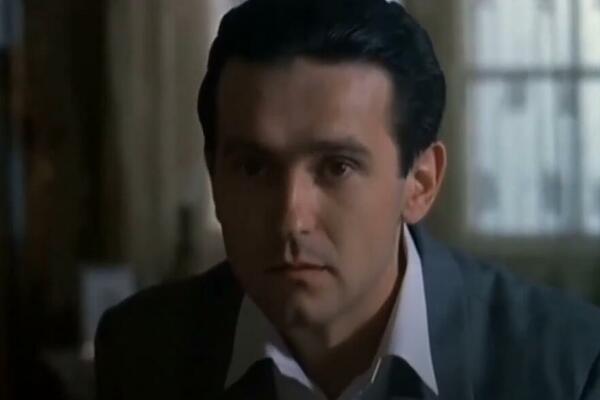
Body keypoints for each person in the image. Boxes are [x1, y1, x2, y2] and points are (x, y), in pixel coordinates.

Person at [94, 0, 600, 399]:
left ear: (420, 184)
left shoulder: (566, 365)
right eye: (253, 167)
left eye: (337, 167)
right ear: (214, 178)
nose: (292, 218)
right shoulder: (142, 350)